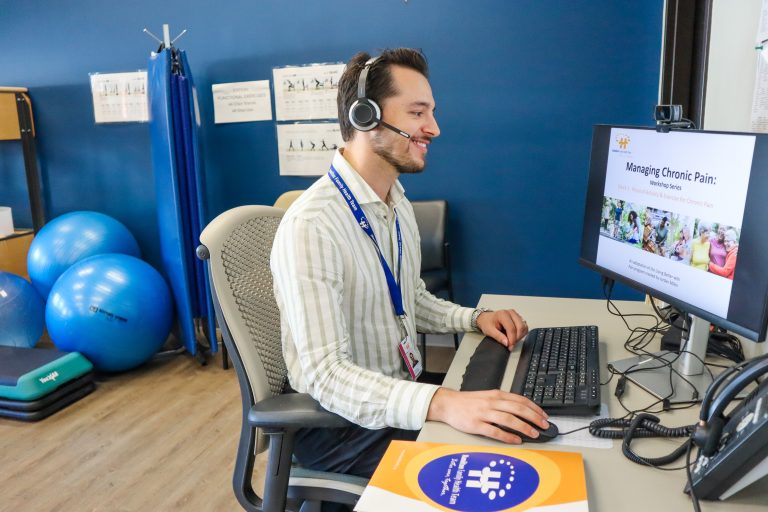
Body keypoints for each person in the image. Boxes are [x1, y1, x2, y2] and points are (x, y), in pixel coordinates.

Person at [270, 48, 549, 483]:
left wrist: (476, 318)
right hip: (342, 427)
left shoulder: (395, 202)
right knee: (504, 466)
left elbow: (409, 298)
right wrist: (441, 402)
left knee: (520, 420)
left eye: (431, 112)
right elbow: (324, 375)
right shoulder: (313, 226)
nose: (433, 128)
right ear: (365, 116)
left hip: (398, 396)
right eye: (418, 112)